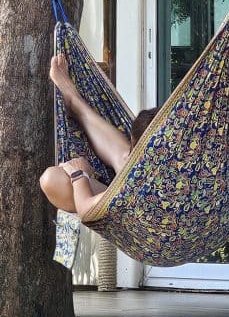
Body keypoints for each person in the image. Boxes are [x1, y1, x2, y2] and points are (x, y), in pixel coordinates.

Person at [40, 53, 158, 221]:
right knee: (125, 158)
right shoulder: (182, 164)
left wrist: (80, 175)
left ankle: (75, 102)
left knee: (51, 180)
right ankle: (75, 103)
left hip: (133, 222)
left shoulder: (135, 191)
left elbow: (86, 211)